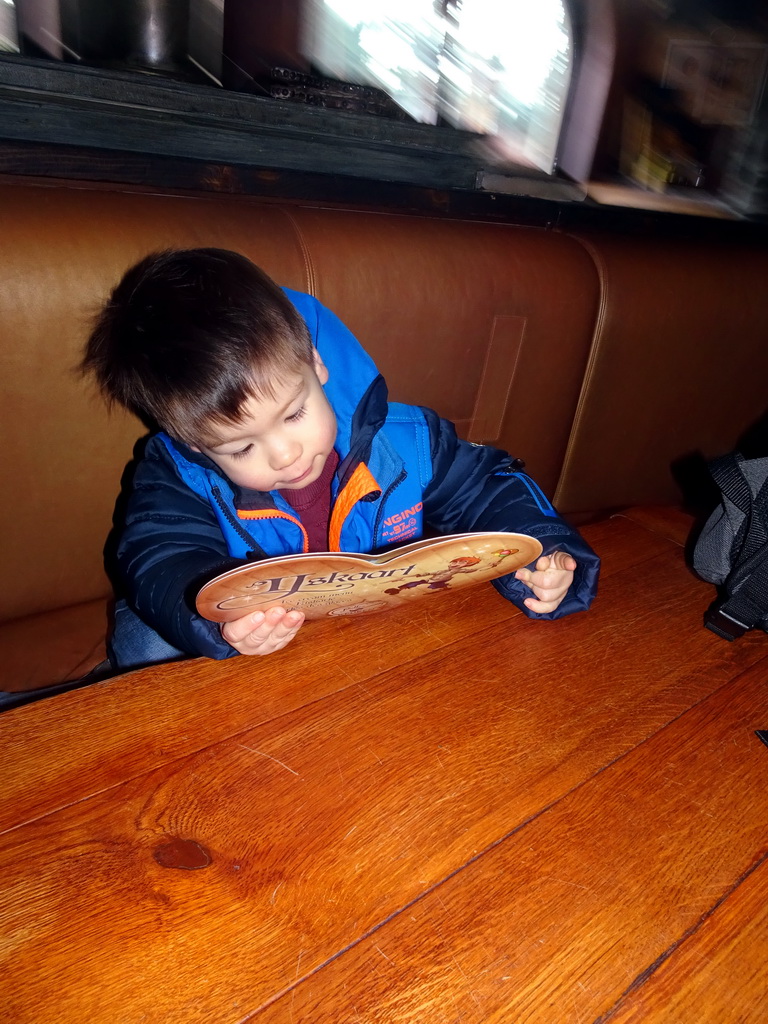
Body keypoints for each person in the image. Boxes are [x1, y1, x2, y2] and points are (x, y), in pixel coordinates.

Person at [81, 248, 600, 670]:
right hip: (262, 640)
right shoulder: (178, 473)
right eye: (241, 447)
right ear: (194, 443)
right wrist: (221, 621)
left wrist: (544, 554)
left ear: (315, 363)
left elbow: (492, 487)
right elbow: (158, 554)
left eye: (293, 414)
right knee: (145, 642)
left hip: (379, 630)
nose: (286, 455)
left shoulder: (406, 440)